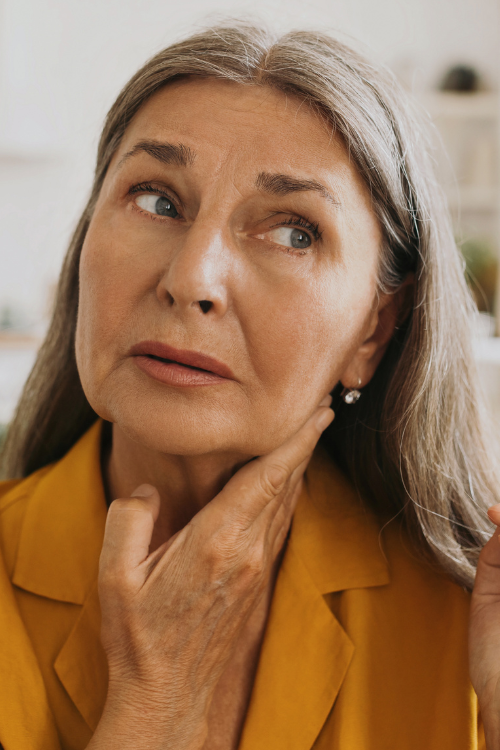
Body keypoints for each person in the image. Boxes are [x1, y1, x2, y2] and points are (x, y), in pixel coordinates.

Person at [0, 22, 499, 750]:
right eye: (157, 199)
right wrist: (152, 709)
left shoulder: (464, 621)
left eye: (295, 231)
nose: (191, 279)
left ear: (374, 331)